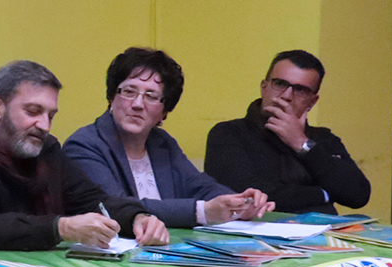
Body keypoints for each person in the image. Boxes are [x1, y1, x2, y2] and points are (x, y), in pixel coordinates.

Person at [0, 60, 170, 252]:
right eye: (32, 111)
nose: (44, 125)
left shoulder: (46, 153)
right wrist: (60, 228)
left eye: (50, 115)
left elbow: (94, 201)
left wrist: (138, 217)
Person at [63, 47, 272, 228]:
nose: (137, 104)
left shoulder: (161, 142)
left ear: (164, 112)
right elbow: (116, 207)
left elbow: (199, 186)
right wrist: (202, 212)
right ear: (111, 97)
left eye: (151, 96)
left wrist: (240, 203)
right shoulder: (84, 145)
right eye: (129, 91)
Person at [204, 50, 371, 214]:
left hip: (320, 230)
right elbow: (242, 195)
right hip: (256, 229)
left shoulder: (323, 139)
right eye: (280, 84)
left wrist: (302, 144)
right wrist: (323, 194)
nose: (287, 95)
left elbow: (357, 195)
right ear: (264, 87)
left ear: (312, 102)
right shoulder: (229, 133)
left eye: (301, 90)